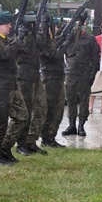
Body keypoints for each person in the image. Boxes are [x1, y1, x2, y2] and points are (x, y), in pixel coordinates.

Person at [0, 11, 28, 165]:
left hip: (11, 84)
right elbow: (4, 54)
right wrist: (18, 39)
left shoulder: (7, 38)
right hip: (0, 86)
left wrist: (20, 40)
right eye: (7, 24)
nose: (10, 26)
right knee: (0, 121)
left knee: (22, 116)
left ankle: (5, 148)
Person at [15, 13, 49, 156]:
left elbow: (41, 43)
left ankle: (31, 140)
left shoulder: (33, 34)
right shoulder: (22, 34)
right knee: (26, 111)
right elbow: (25, 50)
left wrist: (42, 25)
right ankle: (21, 143)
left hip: (35, 75)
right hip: (24, 77)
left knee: (41, 108)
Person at [61, 13, 100, 137]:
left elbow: (95, 58)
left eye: (80, 23)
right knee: (71, 100)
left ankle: (81, 125)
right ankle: (71, 125)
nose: (78, 26)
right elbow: (60, 50)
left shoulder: (90, 38)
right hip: (71, 73)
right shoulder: (69, 37)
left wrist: (92, 74)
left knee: (84, 101)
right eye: (76, 23)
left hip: (84, 73)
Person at [40, 17, 68, 148]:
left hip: (58, 77)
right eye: (54, 27)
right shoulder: (44, 41)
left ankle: (51, 136)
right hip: (50, 78)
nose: (56, 29)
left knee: (59, 109)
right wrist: (66, 42)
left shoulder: (51, 40)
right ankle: (46, 137)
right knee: (50, 108)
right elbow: (55, 55)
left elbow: (57, 44)